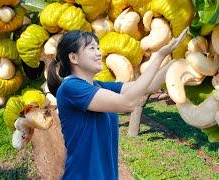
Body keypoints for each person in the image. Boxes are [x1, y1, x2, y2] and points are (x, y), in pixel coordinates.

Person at [47, 28, 187, 180]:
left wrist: (178, 60)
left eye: (98, 47)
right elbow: (128, 103)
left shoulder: (98, 86)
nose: (99, 53)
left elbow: (148, 85)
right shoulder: (71, 88)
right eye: (92, 48)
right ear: (74, 57)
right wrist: (159, 55)